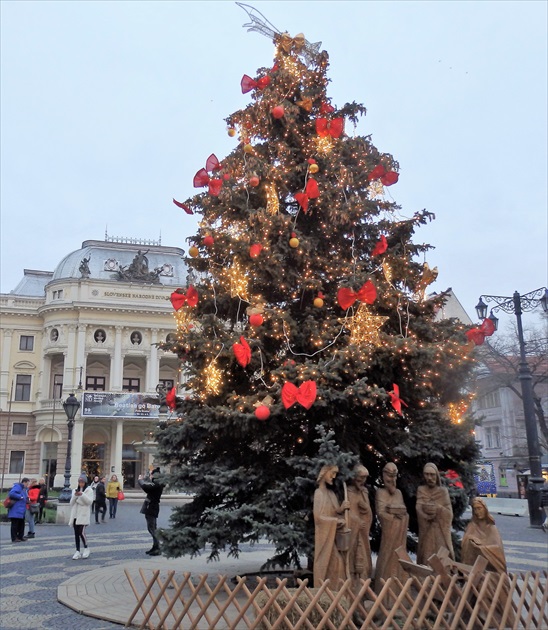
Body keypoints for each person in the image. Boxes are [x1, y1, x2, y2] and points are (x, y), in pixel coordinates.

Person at [313, 465, 349, 587]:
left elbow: (335, 511)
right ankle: (325, 594)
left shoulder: (331, 493)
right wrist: (335, 521)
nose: (334, 477)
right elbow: (318, 517)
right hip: (324, 538)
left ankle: (337, 595)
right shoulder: (318, 493)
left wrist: (342, 508)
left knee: (338, 564)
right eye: (332, 473)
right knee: (335, 563)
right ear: (324, 472)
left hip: (332, 536)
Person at [375, 462, 409, 591]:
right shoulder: (380, 492)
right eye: (389, 476)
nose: (392, 480)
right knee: (386, 558)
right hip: (389, 535)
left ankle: (398, 590)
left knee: (399, 559)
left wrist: (403, 516)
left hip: (399, 536)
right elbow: (380, 513)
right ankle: (383, 590)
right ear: (384, 476)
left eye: (394, 476)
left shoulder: (398, 493)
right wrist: (393, 517)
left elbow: (405, 512)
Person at [416, 462, 454, 565]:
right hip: (427, 531)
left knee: (442, 559)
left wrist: (438, 509)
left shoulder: (443, 491)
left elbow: (449, 513)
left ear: (436, 476)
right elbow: (418, 508)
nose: (429, 477)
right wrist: (426, 516)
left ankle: (442, 579)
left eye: (432, 475)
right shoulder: (421, 490)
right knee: (427, 557)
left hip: (440, 531)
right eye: (426, 474)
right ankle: (426, 579)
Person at [461, 497, 507, 573]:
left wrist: (481, 548)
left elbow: (498, 548)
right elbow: (465, 542)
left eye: (479, 508)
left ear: (485, 509)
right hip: (474, 566)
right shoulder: (472, 526)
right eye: (475, 509)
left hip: (490, 568)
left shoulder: (491, 528)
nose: (477, 512)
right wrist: (471, 539)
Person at [347, 465, 373, 585]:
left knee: (364, 561)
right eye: (360, 478)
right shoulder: (348, 492)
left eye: (365, 478)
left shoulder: (364, 492)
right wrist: (357, 521)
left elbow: (368, 514)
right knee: (352, 561)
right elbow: (348, 513)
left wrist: (367, 510)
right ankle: (353, 588)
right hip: (353, 533)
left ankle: (363, 587)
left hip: (363, 533)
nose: (362, 481)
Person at [138, 467, 165, 556]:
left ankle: (157, 548)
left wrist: (140, 480)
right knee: (153, 528)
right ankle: (155, 546)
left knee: (152, 528)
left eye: (151, 474)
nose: (150, 476)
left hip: (151, 507)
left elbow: (146, 487)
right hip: (152, 507)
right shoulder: (157, 483)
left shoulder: (157, 484)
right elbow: (148, 486)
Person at [69, 474, 93, 559]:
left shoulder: (89, 490)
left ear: (85, 482)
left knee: (81, 532)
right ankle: (77, 550)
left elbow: (89, 502)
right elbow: (71, 503)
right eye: (79, 482)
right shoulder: (74, 490)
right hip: (75, 514)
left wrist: (82, 495)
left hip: (83, 514)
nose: (81, 484)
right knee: (76, 533)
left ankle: (86, 548)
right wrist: (75, 496)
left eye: (82, 482)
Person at [8, 478, 30, 543]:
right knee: (15, 524)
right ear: (24, 482)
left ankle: (20, 536)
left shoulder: (24, 489)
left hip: (21, 510)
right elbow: (12, 494)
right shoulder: (17, 487)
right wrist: (20, 497)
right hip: (16, 509)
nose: (27, 485)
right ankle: (14, 538)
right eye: (27, 483)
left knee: (21, 524)